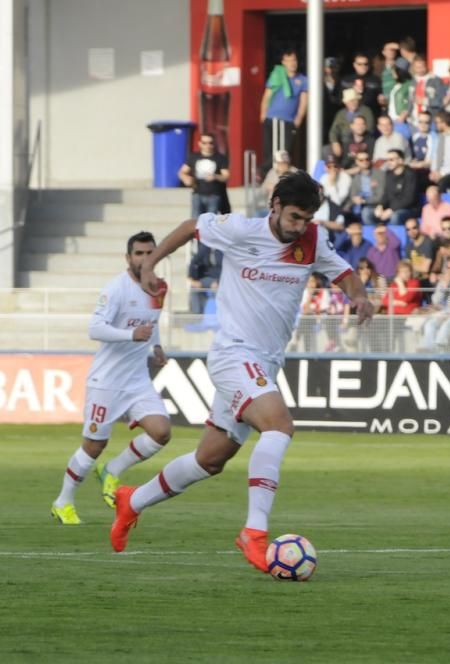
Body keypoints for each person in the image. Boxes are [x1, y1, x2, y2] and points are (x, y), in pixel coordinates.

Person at [111, 172, 375, 571]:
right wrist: (150, 264)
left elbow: (345, 275)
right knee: (279, 426)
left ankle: (134, 500)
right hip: (233, 354)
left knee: (210, 460)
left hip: (265, 362)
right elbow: (190, 227)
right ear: (274, 207)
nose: (299, 227)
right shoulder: (239, 230)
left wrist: (359, 297)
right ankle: (254, 533)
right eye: (293, 217)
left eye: (306, 219)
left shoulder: (312, 240)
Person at [51, 232, 171, 525]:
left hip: (137, 380)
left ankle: (112, 470)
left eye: (149, 253)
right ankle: (63, 501)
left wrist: (155, 346)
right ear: (128, 258)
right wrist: (132, 335)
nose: (144, 258)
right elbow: (95, 329)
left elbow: (150, 323)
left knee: (161, 432)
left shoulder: (158, 288)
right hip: (106, 382)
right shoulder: (115, 289)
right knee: (93, 445)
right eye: (139, 253)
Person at [260, 49, 308, 170]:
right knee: (270, 150)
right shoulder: (276, 76)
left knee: (284, 152)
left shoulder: (302, 80)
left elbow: (304, 101)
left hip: (288, 121)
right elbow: (267, 96)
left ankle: (276, 176)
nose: (292, 63)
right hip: (272, 118)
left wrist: (298, 119)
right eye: (289, 60)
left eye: (294, 60)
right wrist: (263, 113)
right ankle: (266, 174)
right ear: (283, 62)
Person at [179, 133, 229, 217]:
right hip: (197, 193)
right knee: (195, 221)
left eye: (210, 143)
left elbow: (226, 176)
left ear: (214, 143)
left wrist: (215, 176)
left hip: (214, 195)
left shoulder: (220, 158)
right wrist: (186, 178)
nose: (208, 145)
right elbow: (182, 172)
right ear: (200, 144)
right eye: (204, 143)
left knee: (210, 222)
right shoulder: (193, 157)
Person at [328, 89, 375, 163]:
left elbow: (369, 128)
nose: (353, 103)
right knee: (326, 151)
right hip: (343, 142)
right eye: (350, 101)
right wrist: (335, 142)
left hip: (361, 141)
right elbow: (334, 130)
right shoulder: (341, 114)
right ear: (345, 103)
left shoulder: (366, 111)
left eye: (355, 100)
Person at [375, 149, 418, 225]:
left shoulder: (410, 175)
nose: (388, 162)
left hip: (408, 209)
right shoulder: (389, 174)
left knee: (395, 216)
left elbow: (409, 199)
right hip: (390, 207)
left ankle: (392, 236)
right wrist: (380, 206)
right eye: (387, 160)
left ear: (400, 160)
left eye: (391, 160)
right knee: (367, 213)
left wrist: (391, 210)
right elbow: (386, 194)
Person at [348, 151, 385, 225]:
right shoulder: (356, 177)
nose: (365, 162)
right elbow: (353, 195)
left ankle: (372, 235)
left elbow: (381, 196)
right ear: (356, 162)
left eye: (367, 159)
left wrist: (364, 201)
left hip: (375, 206)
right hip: (358, 206)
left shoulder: (379, 174)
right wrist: (355, 199)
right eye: (361, 160)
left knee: (366, 213)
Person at [188, 240, 223, 315]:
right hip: (207, 278)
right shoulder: (205, 247)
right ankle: (197, 315)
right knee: (194, 288)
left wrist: (218, 282)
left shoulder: (223, 249)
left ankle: (216, 317)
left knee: (216, 290)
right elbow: (194, 262)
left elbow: (227, 268)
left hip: (221, 279)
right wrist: (193, 279)